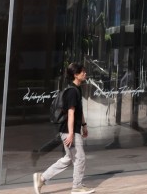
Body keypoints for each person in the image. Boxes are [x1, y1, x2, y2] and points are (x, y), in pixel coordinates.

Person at [33, 62, 95, 194]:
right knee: (80, 158)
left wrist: (84, 125)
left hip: (71, 129)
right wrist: (71, 133)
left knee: (68, 159)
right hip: (68, 130)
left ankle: (41, 178)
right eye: (82, 72)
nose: (85, 73)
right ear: (75, 74)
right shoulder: (72, 91)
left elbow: (79, 111)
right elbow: (71, 113)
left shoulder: (77, 89)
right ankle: (77, 187)